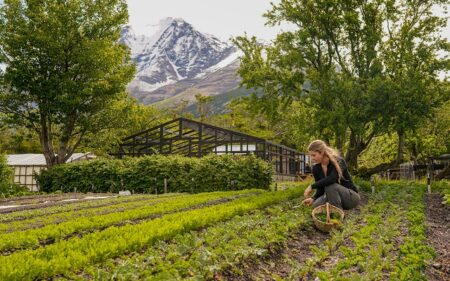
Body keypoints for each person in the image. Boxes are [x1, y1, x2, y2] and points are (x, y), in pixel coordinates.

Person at [302, 140, 360, 210]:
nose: (312, 158)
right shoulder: (315, 168)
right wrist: (313, 198)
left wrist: (311, 186)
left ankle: (337, 214)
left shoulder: (338, 161)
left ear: (322, 152)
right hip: (334, 198)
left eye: (314, 155)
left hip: (350, 198)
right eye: (310, 155)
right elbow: (320, 189)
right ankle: (334, 207)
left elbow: (332, 179)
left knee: (330, 186)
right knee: (315, 205)